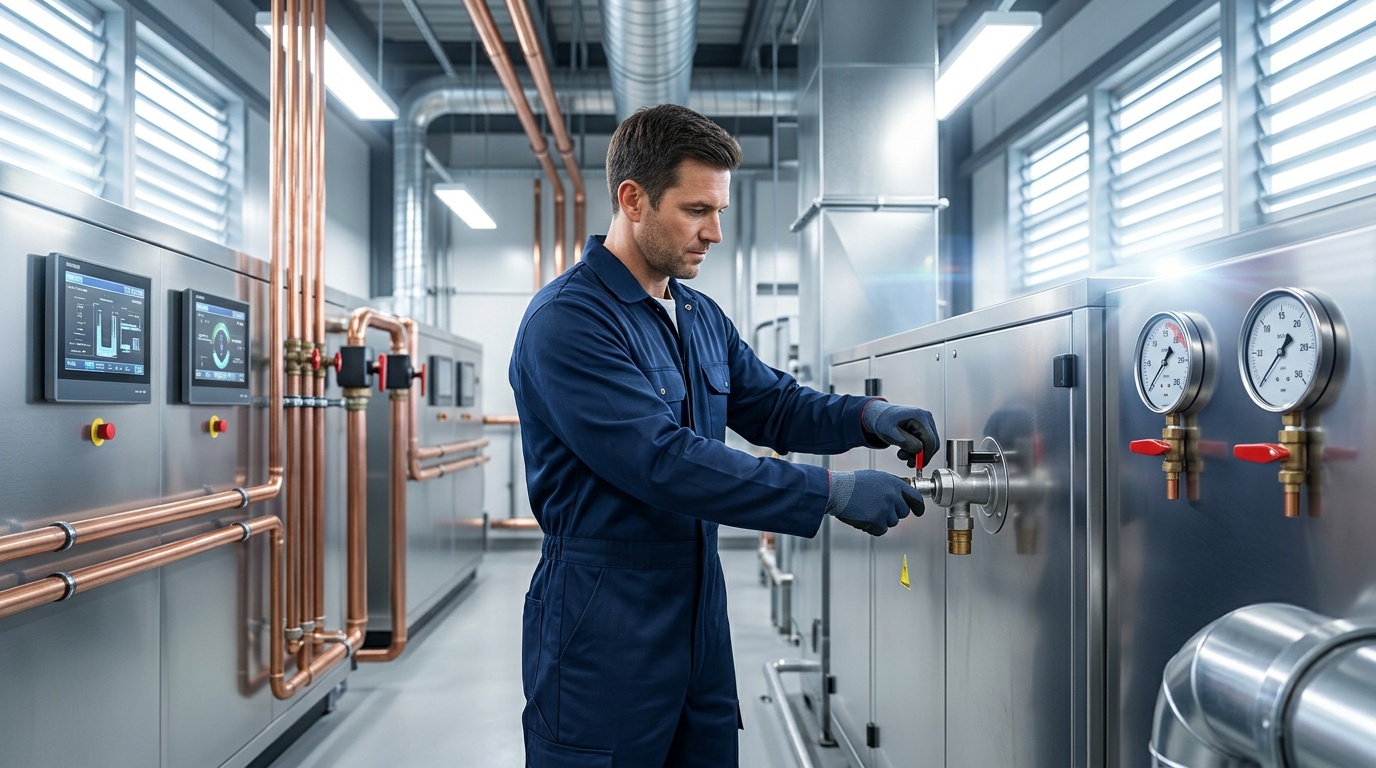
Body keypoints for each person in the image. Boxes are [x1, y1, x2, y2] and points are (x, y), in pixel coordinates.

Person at [508, 103, 939, 767]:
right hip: (602, 622)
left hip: (698, 617)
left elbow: (773, 404)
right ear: (633, 199)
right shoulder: (569, 323)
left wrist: (865, 417)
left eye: (719, 213)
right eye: (695, 210)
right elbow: (663, 461)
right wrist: (830, 491)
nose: (713, 233)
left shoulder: (696, 313)